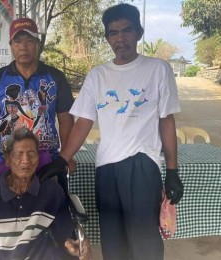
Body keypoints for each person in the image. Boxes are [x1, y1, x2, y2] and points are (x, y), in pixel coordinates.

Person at [39, 3, 184, 260]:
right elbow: (83, 121)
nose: (120, 38)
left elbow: (166, 121)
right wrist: (62, 159)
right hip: (106, 167)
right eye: (113, 33)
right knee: (113, 240)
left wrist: (172, 171)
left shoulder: (158, 70)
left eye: (126, 30)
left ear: (139, 32)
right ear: (107, 37)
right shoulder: (98, 75)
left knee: (144, 240)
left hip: (143, 163)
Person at [0, 127, 91, 260]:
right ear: (8, 160)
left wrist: (73, 247)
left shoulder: (51, 191)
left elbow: (64, 235)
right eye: (19, 154)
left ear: (38, 160)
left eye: (31, 154)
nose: (26, 160)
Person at [0, 17, 75, 177]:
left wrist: (67, 156)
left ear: (38, 44)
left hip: (46, 160)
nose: (23, 47)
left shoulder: (55, 77)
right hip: (7, 159)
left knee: (48, 200)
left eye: (29, 41)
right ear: (10, 45)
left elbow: (66, 118)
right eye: (17, 42)